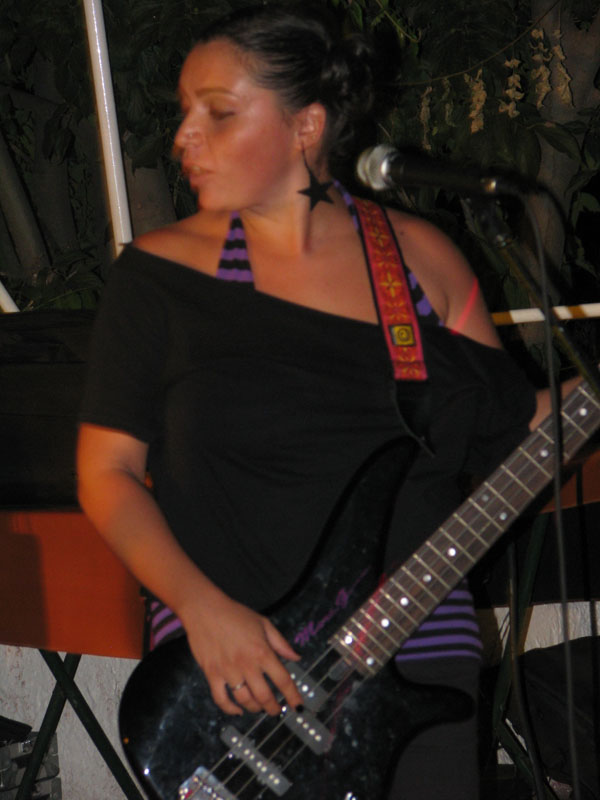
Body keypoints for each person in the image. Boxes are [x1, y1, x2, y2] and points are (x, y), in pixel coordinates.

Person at [77, 4, 541, 798]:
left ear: (307, 126)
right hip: (230, 665)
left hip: (417, 646)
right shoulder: (157, 278)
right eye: (183, 112)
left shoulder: (420, 261)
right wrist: (203, 611)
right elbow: (106, 473)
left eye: (218, 112)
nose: (184, 136)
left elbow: (514, 429)